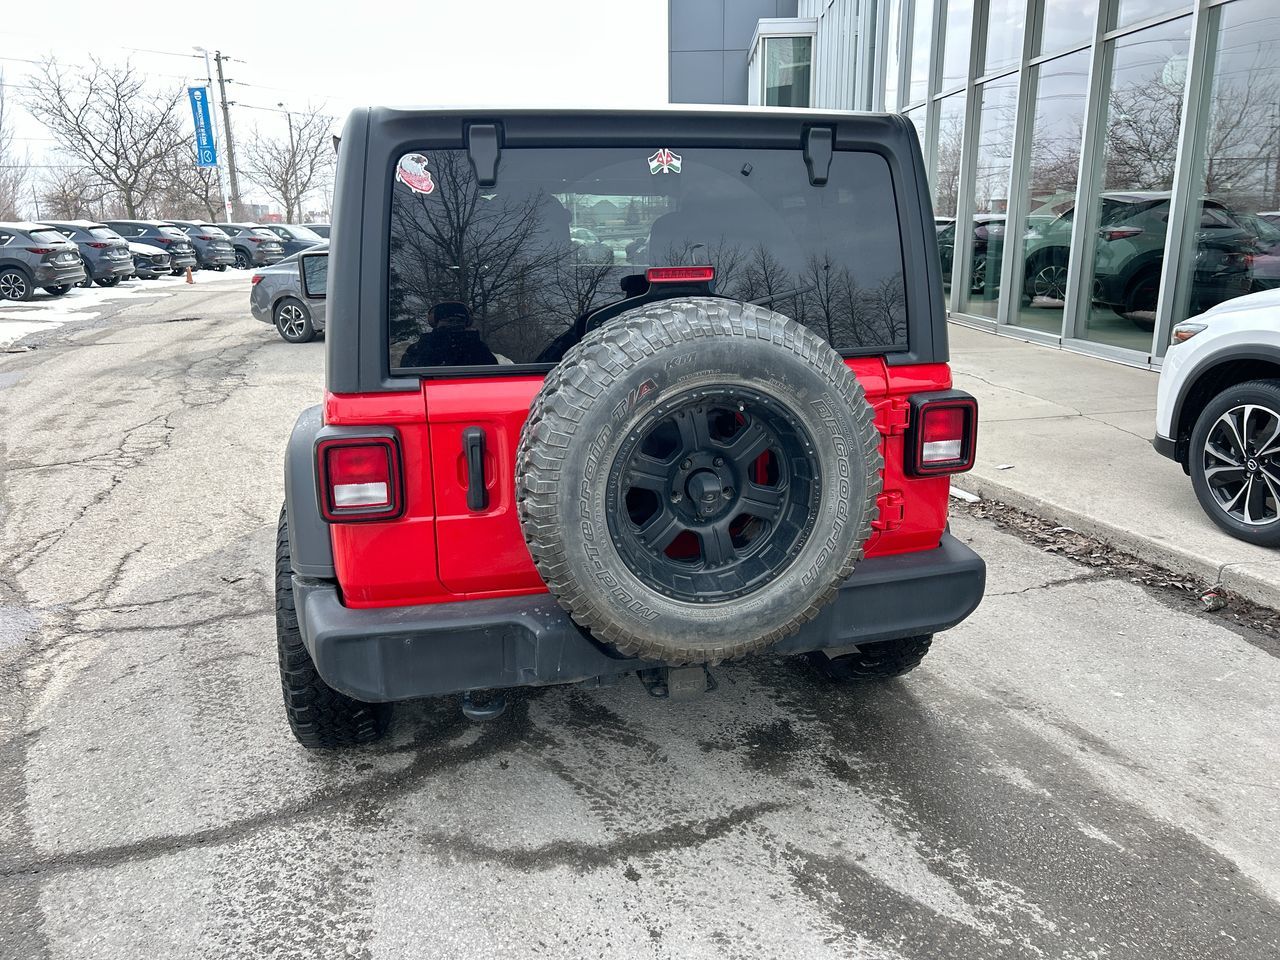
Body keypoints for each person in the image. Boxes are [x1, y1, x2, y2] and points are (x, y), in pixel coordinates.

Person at [401, 301, 498, 367]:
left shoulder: (478, 349)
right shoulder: (421, 349)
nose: (453, 324)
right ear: (436, 322)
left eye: (458, 320)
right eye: (448, 320)